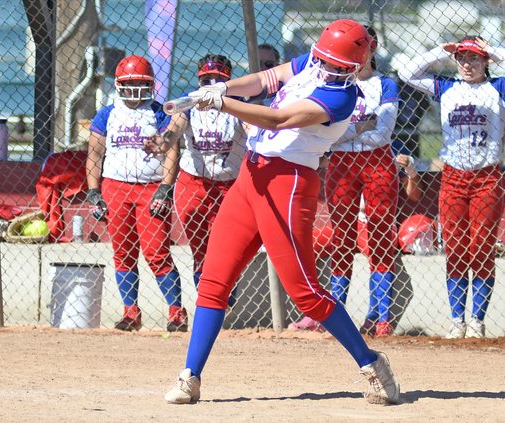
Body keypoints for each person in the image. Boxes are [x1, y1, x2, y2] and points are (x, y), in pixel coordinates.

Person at [164, 19, 399, 405]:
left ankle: (371, 364)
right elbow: (264, 80)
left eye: (338, 64)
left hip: (289, 183)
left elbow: (279, 118)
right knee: (213, 279)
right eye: (324, 59)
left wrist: (222, 103)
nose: (327, 67)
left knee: (305, 293)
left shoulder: (343, 98)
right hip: (251, 177)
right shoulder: (313, 62)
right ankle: (190, 376)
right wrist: (221, 86)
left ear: (355, 66)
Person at [293, 26, 402, 337]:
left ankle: (380, 314)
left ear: (373, 49)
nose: (357, 54)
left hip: (377, 162)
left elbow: (382, 132)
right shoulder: (335, 81)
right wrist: (355, 130)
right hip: (342, 165)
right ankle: (335, 313)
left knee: (380, 233)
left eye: (363, 47)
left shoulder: (385, 84)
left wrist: (341, 134)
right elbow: (322, 134)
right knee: (342, 237)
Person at [399, 36, 505, 339]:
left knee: (482, 246)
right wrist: (439, 52)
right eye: (462, 58)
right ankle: (457, 320)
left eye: (474, 58)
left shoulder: (497, 88)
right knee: (456, 247)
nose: (467, 64)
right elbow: (407, 72)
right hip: (454, 178)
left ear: (485, 61)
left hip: (487, 176)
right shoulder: (447, 88)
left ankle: (477, 321)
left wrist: (492, 51)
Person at [85, 55, 189, 332]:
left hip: (150, 187)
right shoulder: (107, 113)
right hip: (115, 186)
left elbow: (172, 150)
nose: (134, 90)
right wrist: (93, 191)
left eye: (140, 84)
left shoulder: (159, 112)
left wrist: (165, 188)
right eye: (128, 84)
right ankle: (131, 312)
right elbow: (95, 152)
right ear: (118, 84)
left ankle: (176, 312)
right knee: (123, 252)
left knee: (157, 252)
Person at [170, 54, 247, 302]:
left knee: (225, 244)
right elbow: (174, 130)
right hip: (193, 183)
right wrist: (162, 141)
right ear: (199, 81)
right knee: (200, 247)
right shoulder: (189, 105)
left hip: (229, 184)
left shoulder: (238, 105)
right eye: (206, 80)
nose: (211, 84)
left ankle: (224, 294)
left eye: (218, 80)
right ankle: (209, 299)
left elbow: (252, 130)